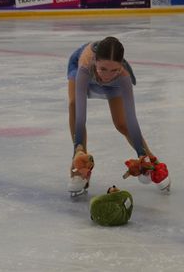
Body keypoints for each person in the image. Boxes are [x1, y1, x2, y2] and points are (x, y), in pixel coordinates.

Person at [66, 36, 170, 196]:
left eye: (114, 69)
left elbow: (132, 120)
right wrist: (78, 147)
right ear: (96, 62)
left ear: (121, 65)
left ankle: (152, 163)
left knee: (122, 123)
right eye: (104, 69)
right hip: (82, 69)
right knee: (74, 104)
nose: (107, 75)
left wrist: (141, 155)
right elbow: (81, 114)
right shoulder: (86, 65)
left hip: (113, 81)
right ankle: (81, 164)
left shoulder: (122, 76)